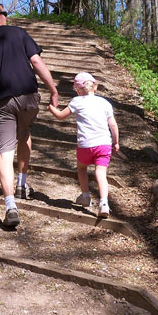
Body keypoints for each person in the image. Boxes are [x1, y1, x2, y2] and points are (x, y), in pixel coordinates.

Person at [0, 0, 59, 228]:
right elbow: (36, 61)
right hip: (28, 95)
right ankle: (22, 184)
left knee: (5, 152)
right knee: (25, 132)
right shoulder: (19, 33)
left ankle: (10, 205)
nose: (7, 16)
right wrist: (53, 89)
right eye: (5, 13)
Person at [48, 72, 119, 218]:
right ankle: (104, 203)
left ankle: (85, 196)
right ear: (94, 87)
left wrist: (51, 108)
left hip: (85, 145)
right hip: (104, 144)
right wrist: (116, 142)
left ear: (78, 90)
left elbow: (61, 116)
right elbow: (113, 125)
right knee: (101, 173)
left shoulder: (77, 102)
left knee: (81, 168)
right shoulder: (105, 103)